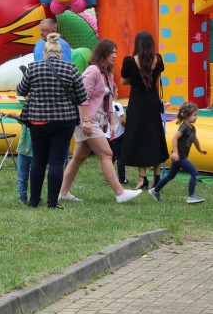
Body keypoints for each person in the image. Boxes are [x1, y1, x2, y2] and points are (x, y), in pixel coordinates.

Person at [58, 39, 142, 204]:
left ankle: (63, 192)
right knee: (107, 154)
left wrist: (111, 123)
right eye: (113, 52)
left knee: (79, 157)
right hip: (87, 119)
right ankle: (120, 192)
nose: (115, 56)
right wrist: (86, 121)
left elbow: (109, 101)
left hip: (97, 119)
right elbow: (82, 97)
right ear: (103, 53)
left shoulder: (108, 74)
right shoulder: (92, 71)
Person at [16, 33, 87, 209]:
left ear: (45, 53)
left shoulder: (33, 68)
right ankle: (52, 202)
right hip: (64, 121)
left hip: (38, 121)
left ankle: (33, 201)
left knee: (38, 160)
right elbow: (82, 96)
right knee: (56, 161)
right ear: (60, 53)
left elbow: (21, 89)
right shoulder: (70, 68)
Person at [120, 31, 169, 190]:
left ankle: (142, 178)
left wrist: (136, 80)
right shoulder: (158, 59)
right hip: (152, 102)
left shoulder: (129, 61)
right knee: (155, 137)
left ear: (137, 44)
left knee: (138, 137)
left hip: (137, 102)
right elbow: (156, 79)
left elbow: (124, 81)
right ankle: (156, 176)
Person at [149, 102, 207, 204]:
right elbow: (175, 138)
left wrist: (200, 149)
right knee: (194, 173)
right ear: (186, 116)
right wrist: (175, 152)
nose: (196, 117)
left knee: (170, 176)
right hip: (179, 157)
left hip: (180, 157)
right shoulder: (183, 127)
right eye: (194, 115)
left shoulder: (192, 128)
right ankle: (191, 196)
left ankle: (155, 190)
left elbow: (195, 140)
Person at [3, 111, 32, 205]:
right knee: (22, 176)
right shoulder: (26, 118)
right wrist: (8, 114)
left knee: (36, 177)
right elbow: (18, 116)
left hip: (38, 153)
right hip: (23, 151)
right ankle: (22, 197)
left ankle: (36, 196)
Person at [108, 100, 127, 184]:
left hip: (107, 135)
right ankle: (122, 179)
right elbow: (121, 121)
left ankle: (109, 179)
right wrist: (128, 127)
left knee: (109, 158)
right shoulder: (117, 105)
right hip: (117, 134)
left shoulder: (103, 104)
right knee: (120, 158)